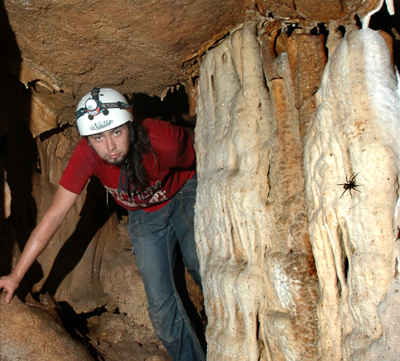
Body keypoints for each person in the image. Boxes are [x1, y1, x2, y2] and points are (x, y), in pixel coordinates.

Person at [0, 87, 206, 361]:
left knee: (200, 263)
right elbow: (54, 215)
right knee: (160, 307)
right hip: (144, 215)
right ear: (88, 139)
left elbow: (203, 148)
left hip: (182, 192)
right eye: (98, 137)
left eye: (116, 132)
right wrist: (16, 275)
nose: (110, 146)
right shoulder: (86, 155)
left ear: (129, 125)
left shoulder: (162, 138)